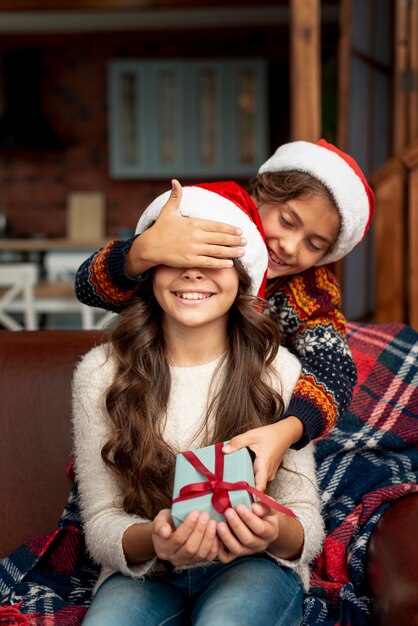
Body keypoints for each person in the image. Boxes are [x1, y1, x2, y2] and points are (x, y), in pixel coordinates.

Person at [72, 182, 324, 626]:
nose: (194, 272)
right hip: (148, 574)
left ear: (242, 279)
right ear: (150, 271)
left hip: (254, 565)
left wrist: (271, 532)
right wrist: (156, 538)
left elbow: (306, 522)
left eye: (215, 261)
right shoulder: (100, 372)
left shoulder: (278, 369)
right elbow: (101, 520)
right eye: (177, 258)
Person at [74, 139, 375, 491]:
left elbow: (333, 365)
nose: (290, 247)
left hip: (244, 420)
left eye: (313, 244)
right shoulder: (208, 233)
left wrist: (288, 429)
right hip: (155, 411)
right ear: (262, 194)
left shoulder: (308, 292)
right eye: (287, 220)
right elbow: (88, 287)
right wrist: (140, 252)